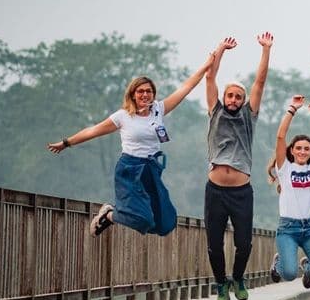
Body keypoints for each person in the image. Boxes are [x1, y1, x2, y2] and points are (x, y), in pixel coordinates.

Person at [47, 53, 216, 237]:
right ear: (133, 95)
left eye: (148, 91)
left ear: (153, 94)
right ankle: (109, 215)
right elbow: (93, 131)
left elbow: (187, 86)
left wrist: (207, 64)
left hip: (151, 170)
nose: (145, 94)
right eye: (140, 91)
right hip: (129, 169)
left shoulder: (159, 109)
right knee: (141, 218)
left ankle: (116, 214)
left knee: (165, 222)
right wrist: (66, 142)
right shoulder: (123, 116)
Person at [204, 33, 273, 300]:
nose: (233, 100)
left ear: (244, 101)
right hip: (215, 191)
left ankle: (238, 278)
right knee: (214, 244)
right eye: (230, 95)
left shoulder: (248, 116)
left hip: (241, 191)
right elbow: (210, 78)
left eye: (238, 97)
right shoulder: (215, 111)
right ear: (224, 97)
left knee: (244, 243)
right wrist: (220, 49)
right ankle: (221, 283)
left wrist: (266, 50)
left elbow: (260, 81)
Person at [266, 94, 310, 289]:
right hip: (288, 229)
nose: (303, 151)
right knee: (288, 274)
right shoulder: (284, 168)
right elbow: (280, 137)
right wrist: (292, 109)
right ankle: (279, 262)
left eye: (307, 149)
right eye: (299, 148)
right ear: (292, 150)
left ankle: (308, 265)